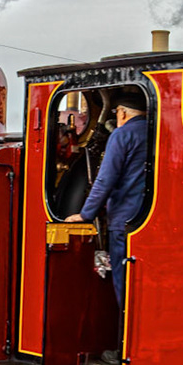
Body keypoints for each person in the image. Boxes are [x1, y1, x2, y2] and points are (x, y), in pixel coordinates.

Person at [65, 85, 151, 326]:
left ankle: (123, 341)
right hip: (147, 218)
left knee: (123, 282)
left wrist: (85, 214)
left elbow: (105, 179)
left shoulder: (122, 135)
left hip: (122, 220)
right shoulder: (155, 133)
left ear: (121, 113)